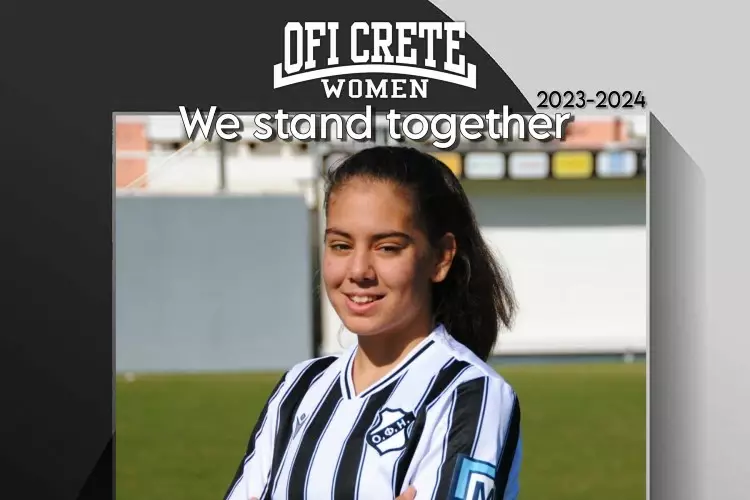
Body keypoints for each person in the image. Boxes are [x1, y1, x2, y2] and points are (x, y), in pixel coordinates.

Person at [223, 146, 522, 500]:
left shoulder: (469, 393)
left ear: (441, 258)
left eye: (388, 247)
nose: (358, 271)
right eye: (341, 245)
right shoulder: (299, 387)